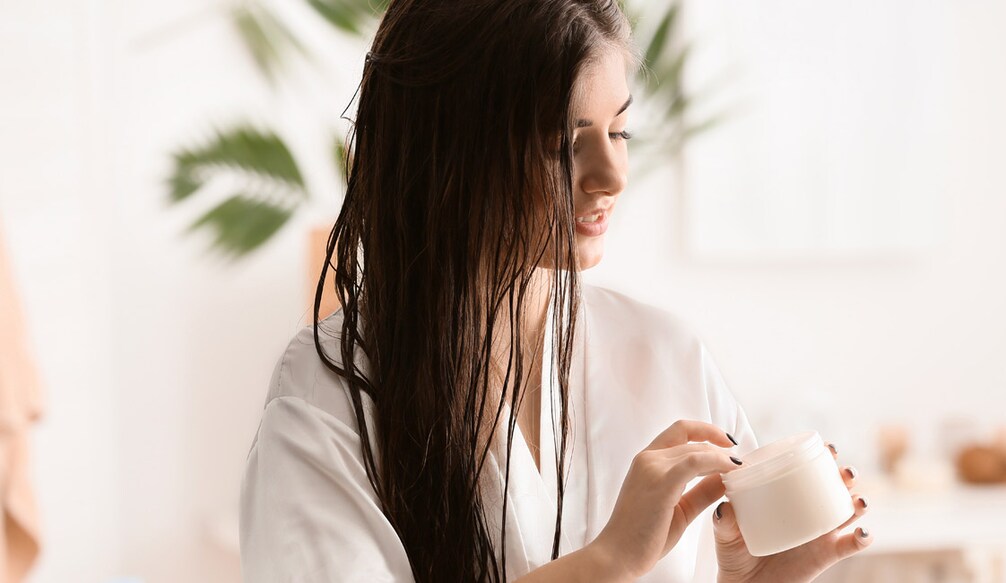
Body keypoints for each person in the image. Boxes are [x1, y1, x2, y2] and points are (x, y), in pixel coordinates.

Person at [238, 1, 873, 581]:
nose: (611, 176)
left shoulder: (665, 353)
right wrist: (609, 562)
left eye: (619, 133)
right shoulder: (329, 395)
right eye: (561, 144)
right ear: (448, 153)